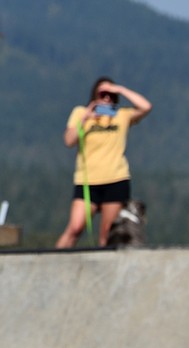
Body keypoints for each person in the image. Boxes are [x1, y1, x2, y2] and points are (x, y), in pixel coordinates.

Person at [56, 77, 152, 248]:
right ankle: (52, 264)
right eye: (103, 94)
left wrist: (120, 89)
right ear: (95, 95)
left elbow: (146, 107)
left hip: (115, 179)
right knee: (75, 228)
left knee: (107, 234)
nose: (106, 98)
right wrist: (87, 117)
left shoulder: (122, 116)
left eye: (110, 95)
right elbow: (69, 140)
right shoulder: (80, 113)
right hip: (87, 181)